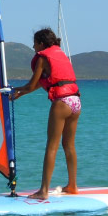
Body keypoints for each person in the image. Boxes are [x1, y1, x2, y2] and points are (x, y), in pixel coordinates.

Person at [12, 28, 81, 200]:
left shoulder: (43, 57)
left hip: (62, 103)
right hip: (76, 101)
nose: (33, 47)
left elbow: (30, 85)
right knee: (69, 145)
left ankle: (43, 191)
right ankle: (72, 186)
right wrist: (21, 94)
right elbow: (41, 84)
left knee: (52, 146)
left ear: (41, 44)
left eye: (34, 43)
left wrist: (14, 90)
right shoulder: (60, 54)